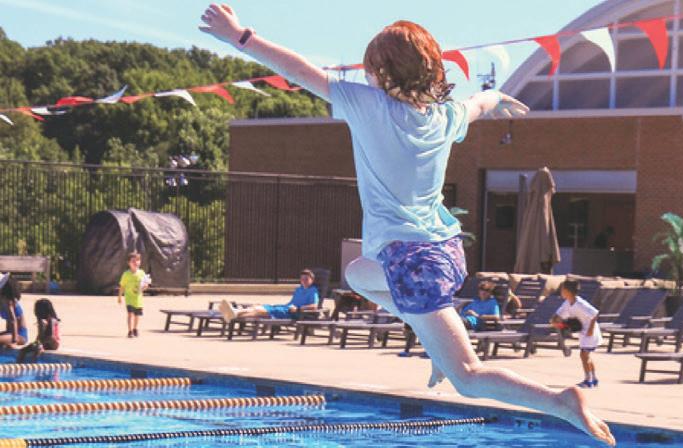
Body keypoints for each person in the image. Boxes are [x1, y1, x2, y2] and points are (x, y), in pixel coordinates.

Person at [200, 6, 614, 444]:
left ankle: (560, 401)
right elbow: (479, 102)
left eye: (370, 69)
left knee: (468, 377)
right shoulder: (444, 116)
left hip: (411, 262)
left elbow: (299, 71)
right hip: (443, 253)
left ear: (381, 73)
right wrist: (497, 97)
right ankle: (431, 335)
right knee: (357, 274)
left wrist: (240, 37)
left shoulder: (367, 106)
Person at [551, 280, 601, 388]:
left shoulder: (580, 303)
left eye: (562, 289)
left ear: (568, 291)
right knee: (586, 355)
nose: (561, 291)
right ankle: (594, 379)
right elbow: (558, 315)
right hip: (583, 332)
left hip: (590, 332)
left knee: (584, 355)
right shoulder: (567, 303)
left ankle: (588, 381)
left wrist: (591, 330)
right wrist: (555, 320)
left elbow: (594, 314)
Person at [220, 269, 320, 323]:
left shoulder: (313, 291)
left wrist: (298, 309)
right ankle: (235, 313)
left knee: (260, 310)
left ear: (312, 280)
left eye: (306, 279)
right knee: (258, 308)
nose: (304, 281)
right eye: (302, 279)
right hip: (285, 308)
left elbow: (314, 306)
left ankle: (236, 311)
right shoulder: (299, 289)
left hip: (292, 313)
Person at [117, 251, 150, 338]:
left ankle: (135, 328)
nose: (136, 262)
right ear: (129, 263)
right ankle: (130, 331)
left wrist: (143, 288)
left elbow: (145, 285)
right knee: (130, 314)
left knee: (137, 315)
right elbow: (122, 286)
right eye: (133, 261)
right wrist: (119, 297)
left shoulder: (142, 273)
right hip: (129, 298)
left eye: (138, 260)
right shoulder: (126, 274)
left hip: (138, 299)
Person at [0, 273, 28, 348]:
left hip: (19, 336)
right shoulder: (2, 301)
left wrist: (14, 341)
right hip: (9, 333)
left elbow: (13, 320)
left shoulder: (9, 302)